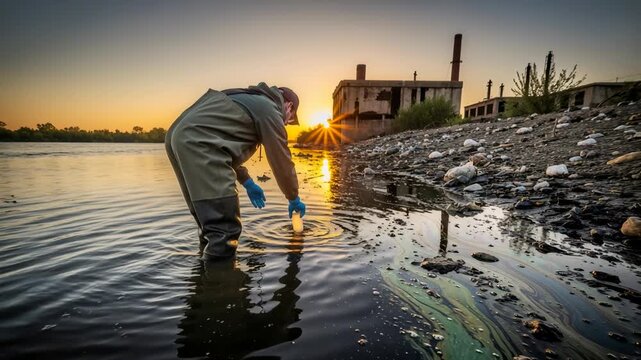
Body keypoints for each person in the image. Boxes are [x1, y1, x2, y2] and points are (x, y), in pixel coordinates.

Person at [165, 83, 306, 260]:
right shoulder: (269, 109)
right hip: (198, 143)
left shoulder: (248, 100)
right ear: (289, 106)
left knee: (209, 227)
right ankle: (222, 285)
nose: (285, 123)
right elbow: (281, 159)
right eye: (290, 119)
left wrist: (247, 182)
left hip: (178, 138)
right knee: (225, 232)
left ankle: (202, 280)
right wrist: (293, 197)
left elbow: (220, 142)